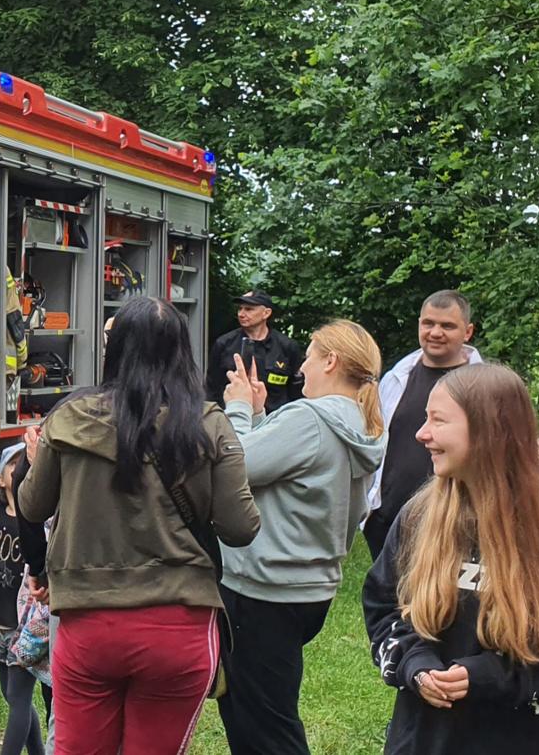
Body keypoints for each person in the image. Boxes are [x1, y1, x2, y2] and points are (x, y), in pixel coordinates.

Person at [18, 297, 259, 755]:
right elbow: (240, 527)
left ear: (115, 349)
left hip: (88, 619)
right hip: (179, 622)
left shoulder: (69, 417)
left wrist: (39, 462)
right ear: (182, 352)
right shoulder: (210, 423)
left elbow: (32, 506)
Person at [365, 363, 539, 754]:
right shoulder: (419, 516)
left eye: (438, 420)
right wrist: (414, 663)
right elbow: (383, 606)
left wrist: (491, 676)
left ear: (490, 430)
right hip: (423, 739)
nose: (422, 433)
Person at [215, 319, 388, 755]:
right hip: (305, 592)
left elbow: (235, 467)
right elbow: (289, 474)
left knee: (265, 728)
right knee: (254, 714)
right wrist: (260, 415)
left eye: (309, 357)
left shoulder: (311, 419)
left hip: (263, 594)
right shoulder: (358, 423)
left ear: (331, 361)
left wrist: (238, 409)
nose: (300, 368)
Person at [365, 290, 484, 558]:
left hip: (448, 518)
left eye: (447, 326)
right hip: (386, 519)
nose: (435, 332)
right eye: (428, 323)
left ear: (468, 332)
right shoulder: (396, 378)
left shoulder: (481, 387)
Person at [0, 447, 46, 755]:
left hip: (27, 627)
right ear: (0, 478)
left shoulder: (39, 523)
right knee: (10, 695)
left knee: (19, 698)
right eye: (13, 463)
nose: (21, 466)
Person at [206, 290, 306, 410]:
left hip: (275, 418)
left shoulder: (287, 347)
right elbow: (212, 388)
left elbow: (297, 390)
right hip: (234, 415)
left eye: (248, 309)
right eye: (240, 309)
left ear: (266, 313)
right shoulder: (224, 344)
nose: (241, 314)